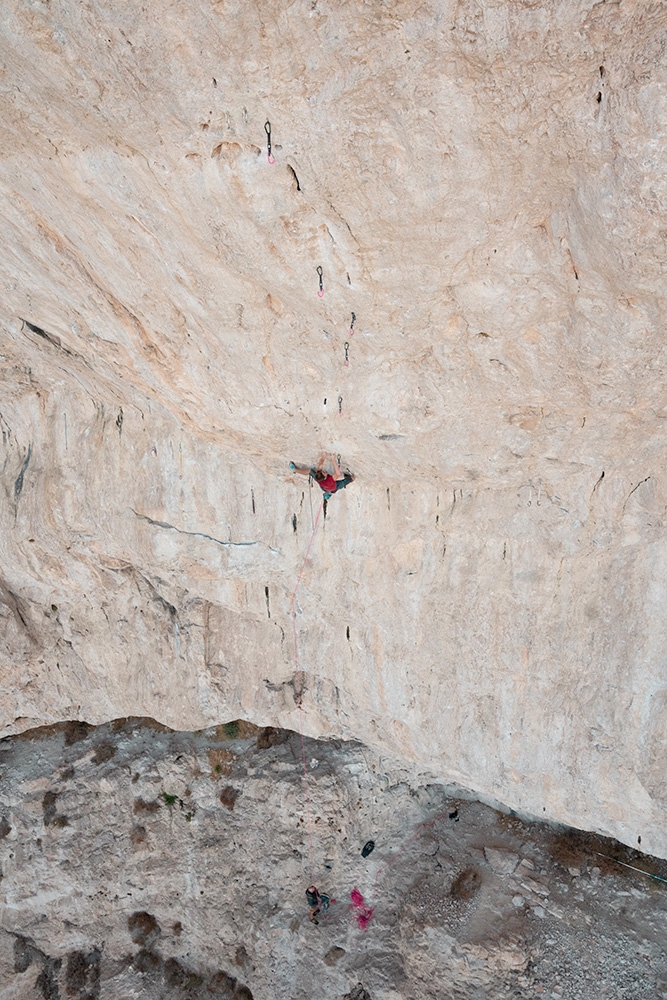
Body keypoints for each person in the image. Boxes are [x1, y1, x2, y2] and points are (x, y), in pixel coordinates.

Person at [290, 453, 354, 499]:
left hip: (323, 486)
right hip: (334, 487)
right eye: (324, 473)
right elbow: (337, 473)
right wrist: (333, 459)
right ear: (325, 477)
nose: (325, 471)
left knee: (310, 471)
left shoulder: (318, 476)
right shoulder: (330, 481)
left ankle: (295, 470)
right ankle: (328, 494)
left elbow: (320, 464)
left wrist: (323, 457)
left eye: (323, 471)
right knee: (352, 478)